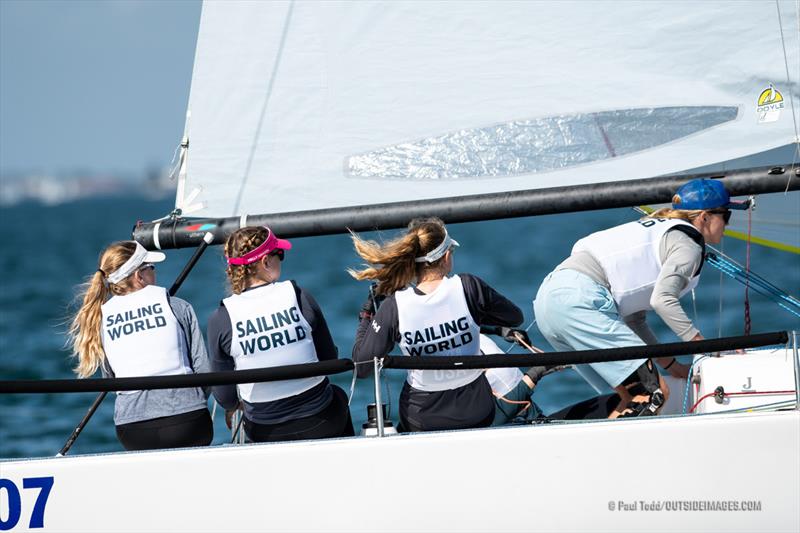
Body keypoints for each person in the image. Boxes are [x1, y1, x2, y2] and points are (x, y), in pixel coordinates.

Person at [533, 178, 750, 418]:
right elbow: (663, 299)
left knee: (630, 396)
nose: (728, 225)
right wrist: (703, 348)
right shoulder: (688, 245)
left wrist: (673, 366)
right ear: (705, 217)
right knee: (652, 394)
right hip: (581, 301)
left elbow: (635, 322)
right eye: (727, 216)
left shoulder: (656, 229)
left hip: (550, 301)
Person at [351, 217, 524, 432]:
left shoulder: (393, 306)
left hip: (421, 418)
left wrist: (367, 317)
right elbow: (515, 318)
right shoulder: (470, 286)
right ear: (447, 256)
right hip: (477, 411)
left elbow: (362, 366)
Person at [207, 226, 354, 442]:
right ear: (265, 262)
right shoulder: (299, 295)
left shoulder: (221, 317)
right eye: (279, 254)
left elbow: (224, 395)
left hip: (264, 430)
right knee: (338, 395)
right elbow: (328, 358)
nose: (282, 260)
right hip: (320, 420)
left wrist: (232, 407)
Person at [68, 241, 213, 451]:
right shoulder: (178, 306)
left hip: (132, 429)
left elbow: (110, 378)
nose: (155, 273)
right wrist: (193, 400)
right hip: (188, 421)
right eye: (151, 268)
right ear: (139, 276)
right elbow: (203, 370)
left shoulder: (101, 320)